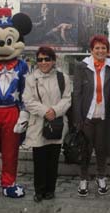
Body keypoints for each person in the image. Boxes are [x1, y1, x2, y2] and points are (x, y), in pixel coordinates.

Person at [22, 47, 72, 202]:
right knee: (39, 160)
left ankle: (51, 189)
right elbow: (28, 101)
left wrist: (55, 111)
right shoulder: (31, 79)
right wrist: (45, 111)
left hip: (56, 123)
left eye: (47, 59)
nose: (43, 62)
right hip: (38, 123)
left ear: (53, 60)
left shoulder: (62, 77)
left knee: (53, 159)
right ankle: (39, 190)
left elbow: (67, 98)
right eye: (40, 59)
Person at [73, 35, 110, 197]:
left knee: (101, 149)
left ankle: (101, 177)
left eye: (103, 48)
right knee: (85, 149)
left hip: (104, 116)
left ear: (107, 50)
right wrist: (77, 118)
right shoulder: (82, 67)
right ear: (91, 50)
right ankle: (83, 179)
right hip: (87, 116)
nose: (100, 51)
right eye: (97, 48)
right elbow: (77, 94)